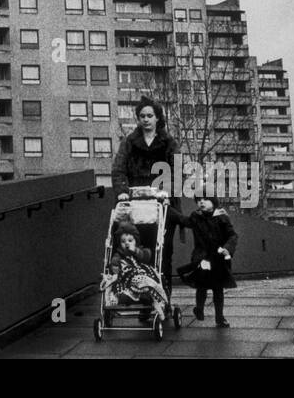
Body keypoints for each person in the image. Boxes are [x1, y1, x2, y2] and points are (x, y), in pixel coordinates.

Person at [111, 97, 180, 299]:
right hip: (137, 204)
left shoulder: (169, 143)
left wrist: (166, 190)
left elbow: (177, 170)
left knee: (163, 251)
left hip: (163, 204)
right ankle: (142, 294)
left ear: (157, 118)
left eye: (150, 116)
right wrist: (123, 190)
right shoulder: (129, 143)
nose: (146, 119)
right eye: (142, 116)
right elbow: (118, 169)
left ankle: (163, 296)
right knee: (137, 248)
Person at [172, 197, 238, 328]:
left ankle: (220, 317)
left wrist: (227, 248)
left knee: (217, 288)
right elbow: (183, 220)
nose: (201, 202)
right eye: (199, 200)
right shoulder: (196, 216)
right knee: (201, 284)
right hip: (202, 256)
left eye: (205, 199)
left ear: (213, 202)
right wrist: (169, 208)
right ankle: (199, 308)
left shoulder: (222, 217)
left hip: (218, 257)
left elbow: (232, 235)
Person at [101, 227, 168, 322]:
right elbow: (115, 266)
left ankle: (150, 307)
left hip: (141, 278)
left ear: (136, 241)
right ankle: (118, 299)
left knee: (149, 281)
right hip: (127, 281)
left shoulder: (141, 251)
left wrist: (136, 251)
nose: (127, 243)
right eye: (123, 241)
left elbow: (146, 256)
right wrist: (115, 265)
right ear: (120, 244)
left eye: (130, 240)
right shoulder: (119, 254)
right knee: (117, 282)